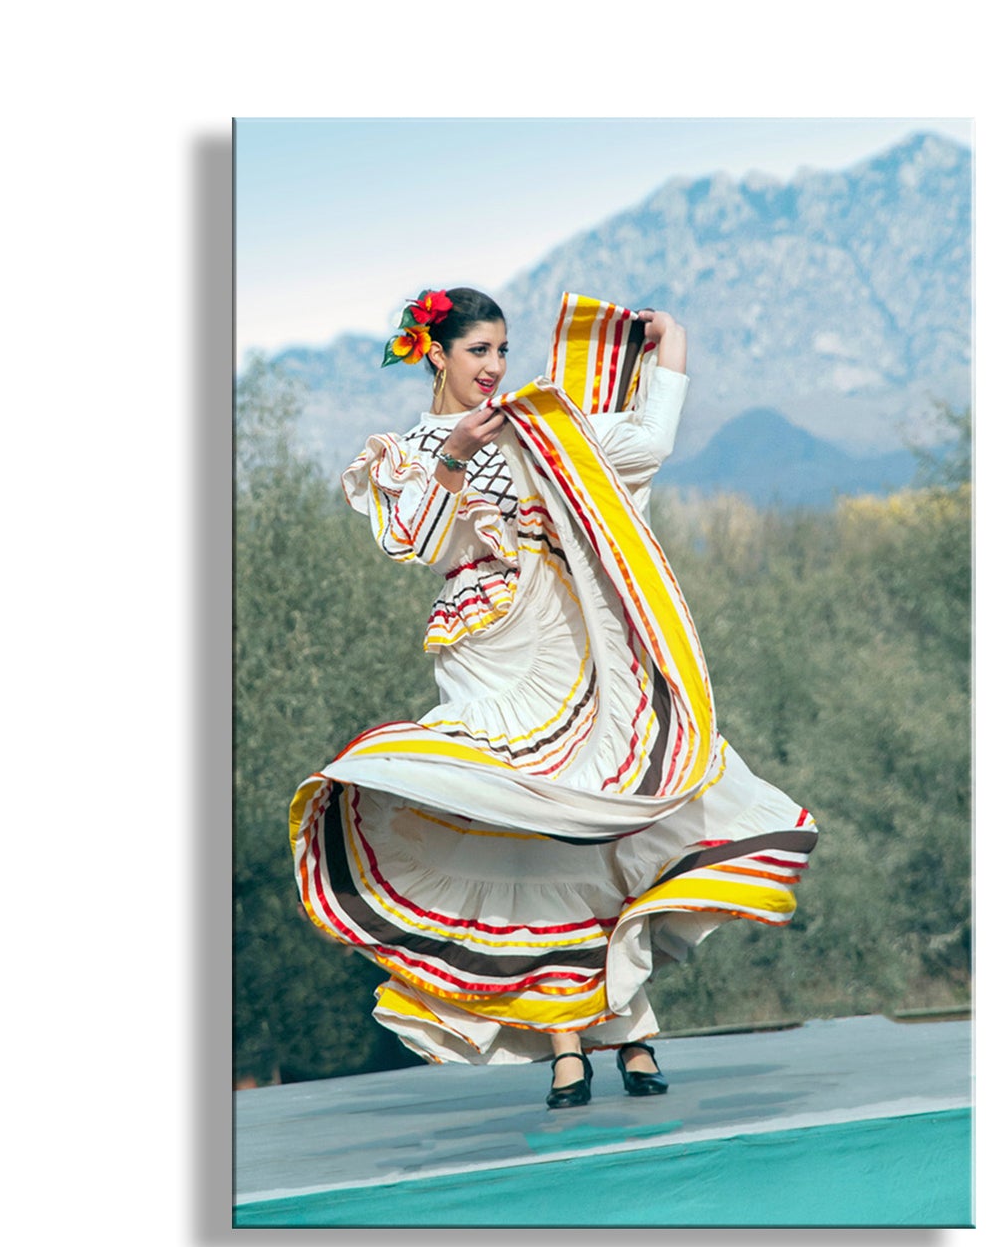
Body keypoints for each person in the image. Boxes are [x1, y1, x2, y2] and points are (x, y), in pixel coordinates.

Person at [291, 287, 818, 1108]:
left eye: (502, 351)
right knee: (524, 834)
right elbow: (419, 543)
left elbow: (644, 445)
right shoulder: (406, 451)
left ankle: (626, 1028)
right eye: (478, 353)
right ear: (437, 354)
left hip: (567, 648)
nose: (495, 368)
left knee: (594, 822)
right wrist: (457, 454)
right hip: (482, 657)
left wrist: (671, 345)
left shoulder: (540, 425)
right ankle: (579, 1042)